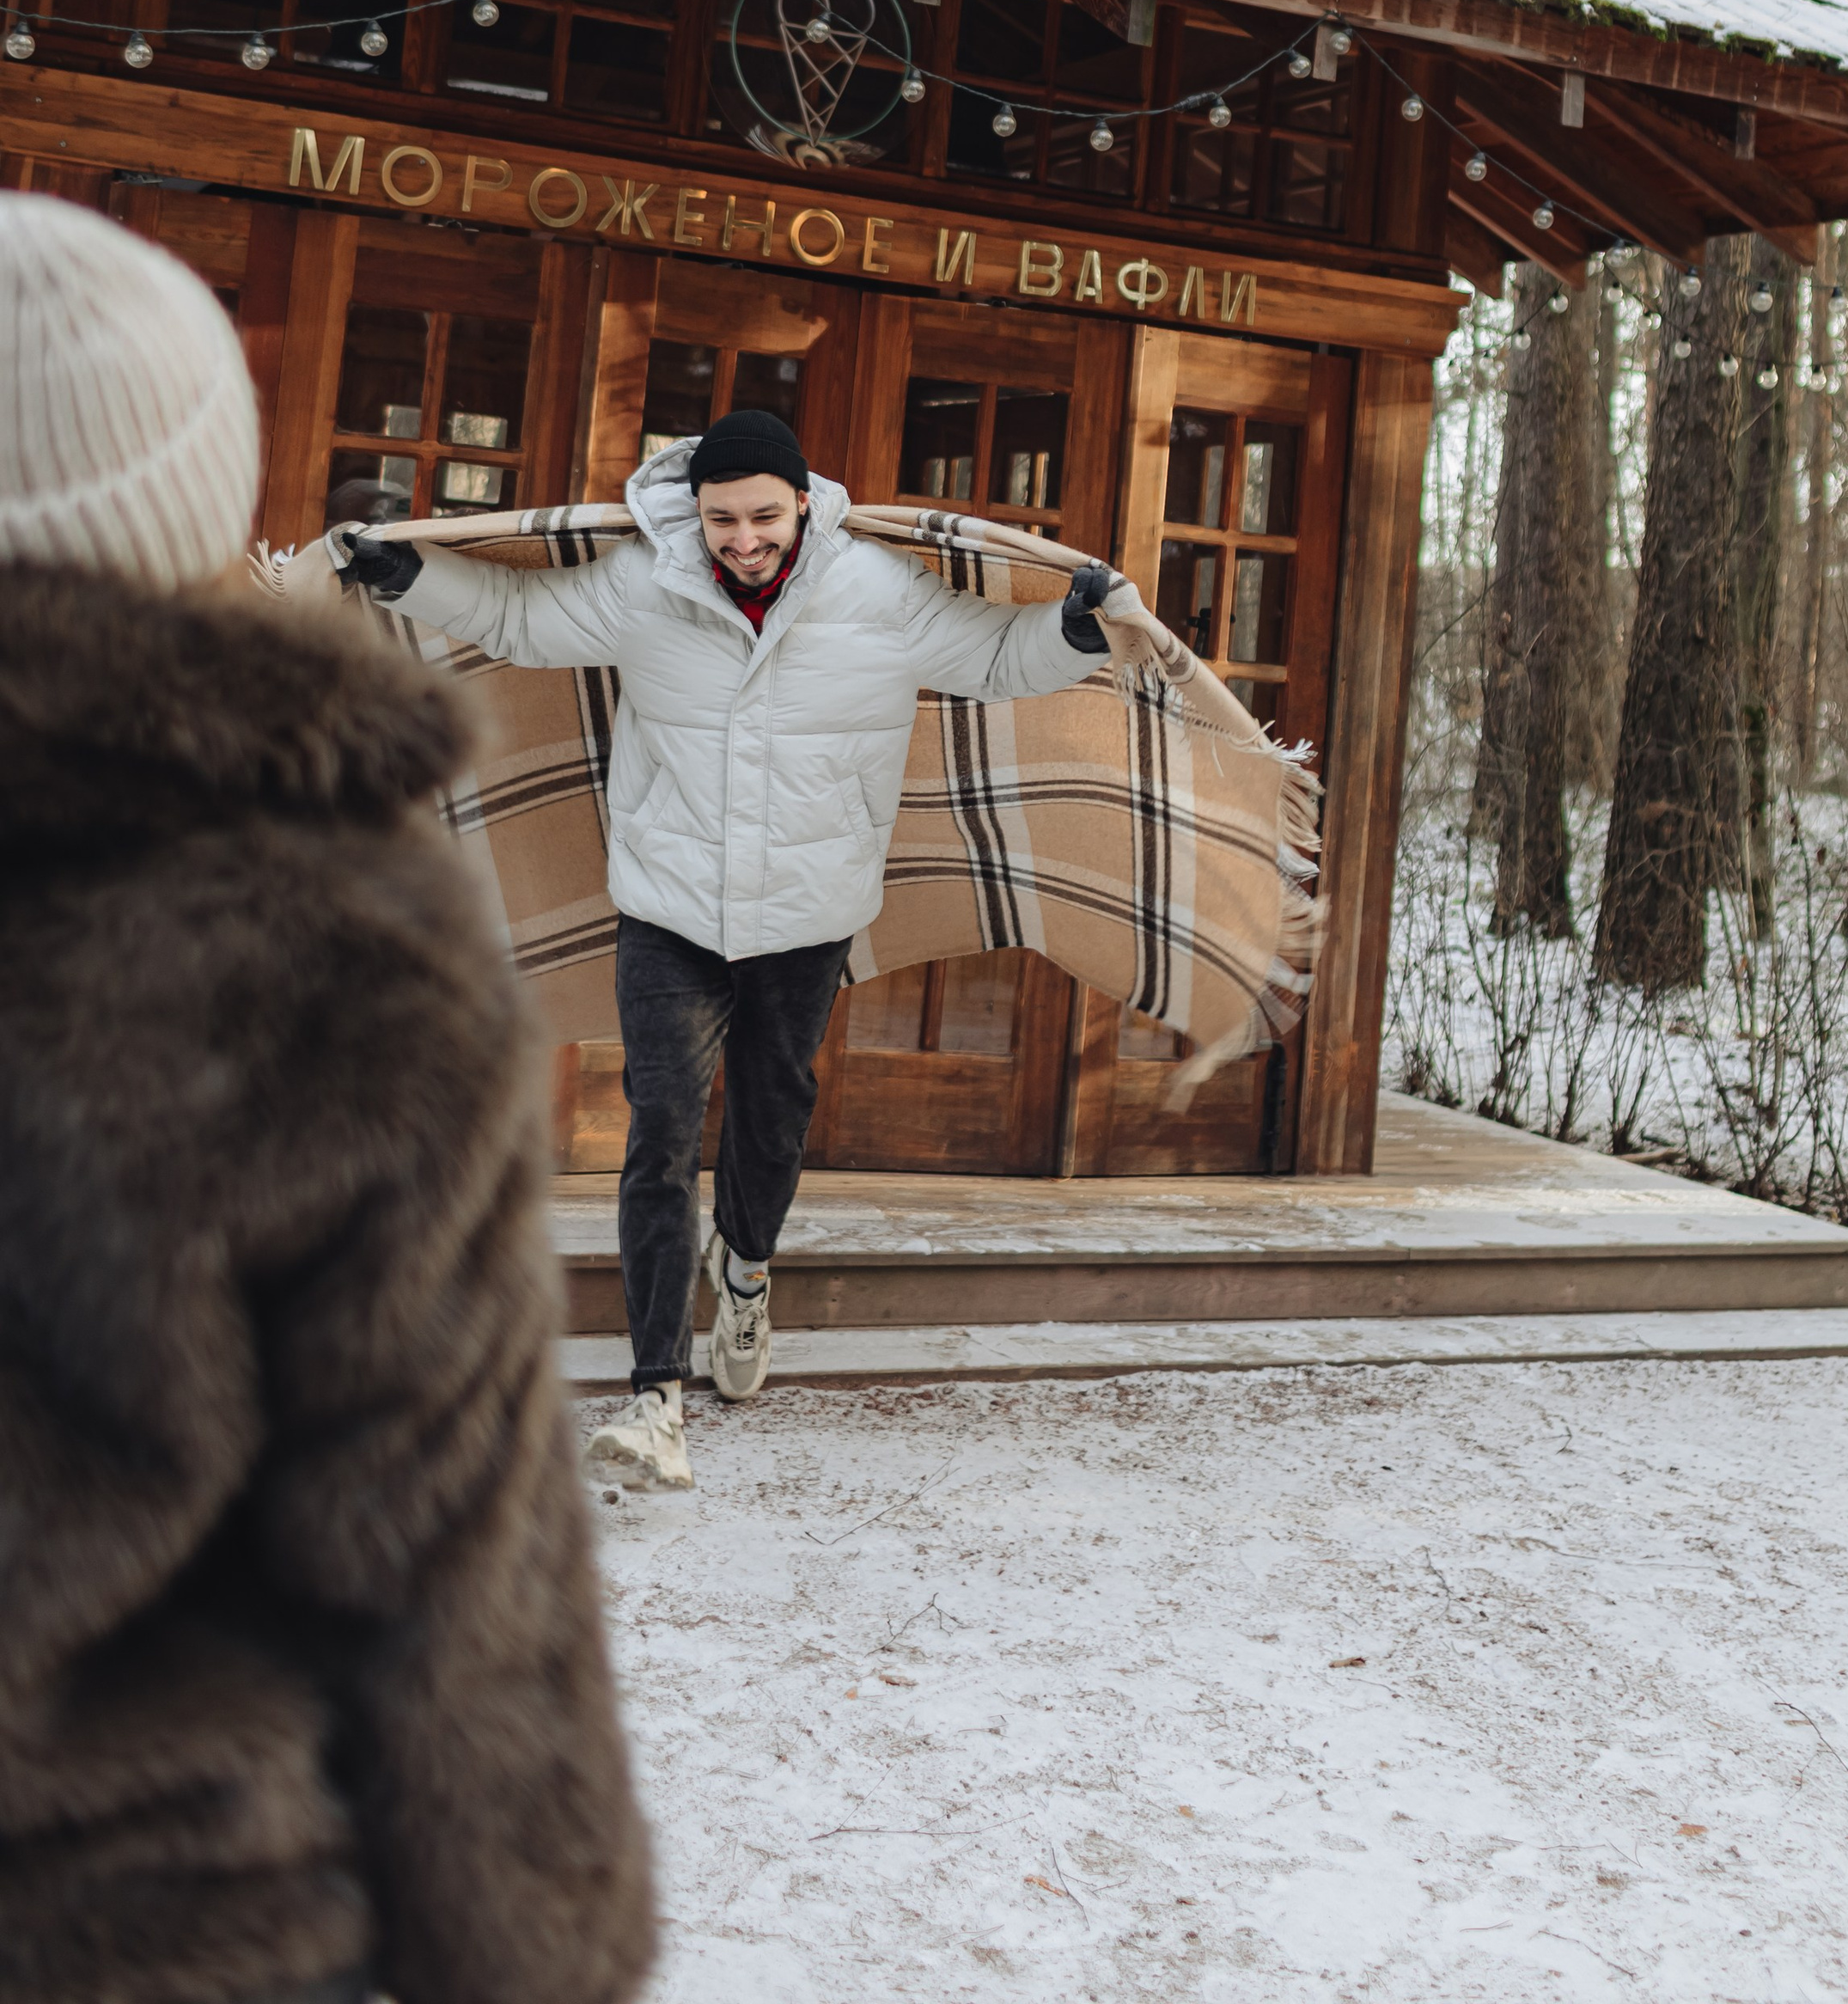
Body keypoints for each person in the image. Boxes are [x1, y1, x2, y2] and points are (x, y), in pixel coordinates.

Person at [0, 196, 653, 2004]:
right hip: (156, 1918)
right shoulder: (336, 935)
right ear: (201, 502)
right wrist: (540, 1956)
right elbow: (446, 1547)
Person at [341, 410, 1117, 1487]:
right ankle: (654, 1391)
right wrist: (404, 578)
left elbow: (991, 654)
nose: (742, 540)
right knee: (659, 1128)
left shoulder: (874, 592)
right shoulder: (645, 581)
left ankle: (745, 1272)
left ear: (803, 502)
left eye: (762, 516)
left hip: (809, 909)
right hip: (669, 902)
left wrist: (1074, 630)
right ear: (693, 513)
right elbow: (520, 618)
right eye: (721, 519)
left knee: (773, 1109)